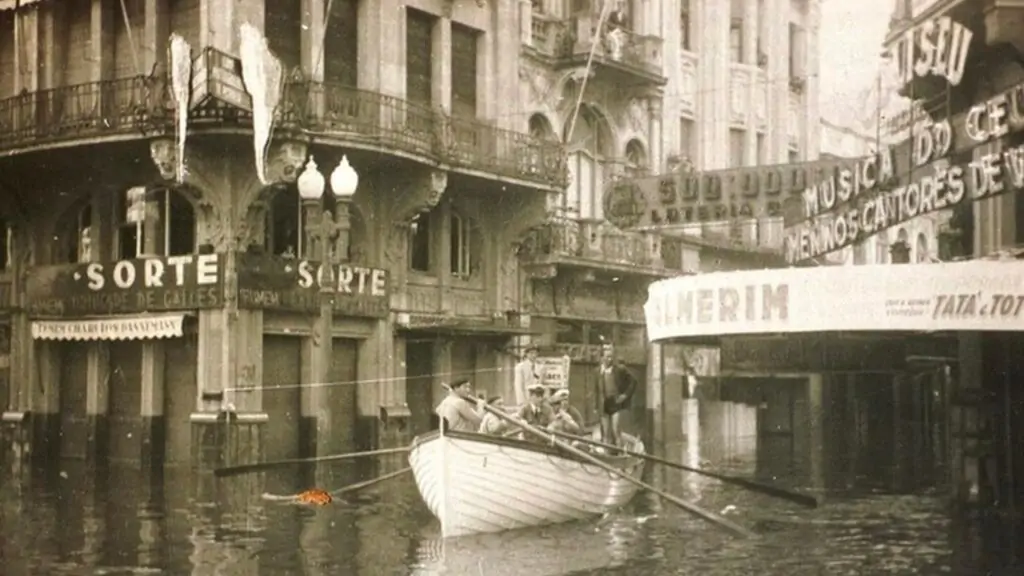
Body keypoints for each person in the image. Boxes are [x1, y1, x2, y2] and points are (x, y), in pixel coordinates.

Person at [598, 344, 638, 448]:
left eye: (611, 357)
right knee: (605, 432)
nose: (609, 359)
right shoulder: (597, 371)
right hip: (604, 404)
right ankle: (606, 455)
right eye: (607, 357)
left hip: (615, 403)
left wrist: (625, 395)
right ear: (602, 358)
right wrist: (595, 406)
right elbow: (596, 390)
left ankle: (620, 453)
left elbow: (633, 381)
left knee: (616, 430)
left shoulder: (619, 369)